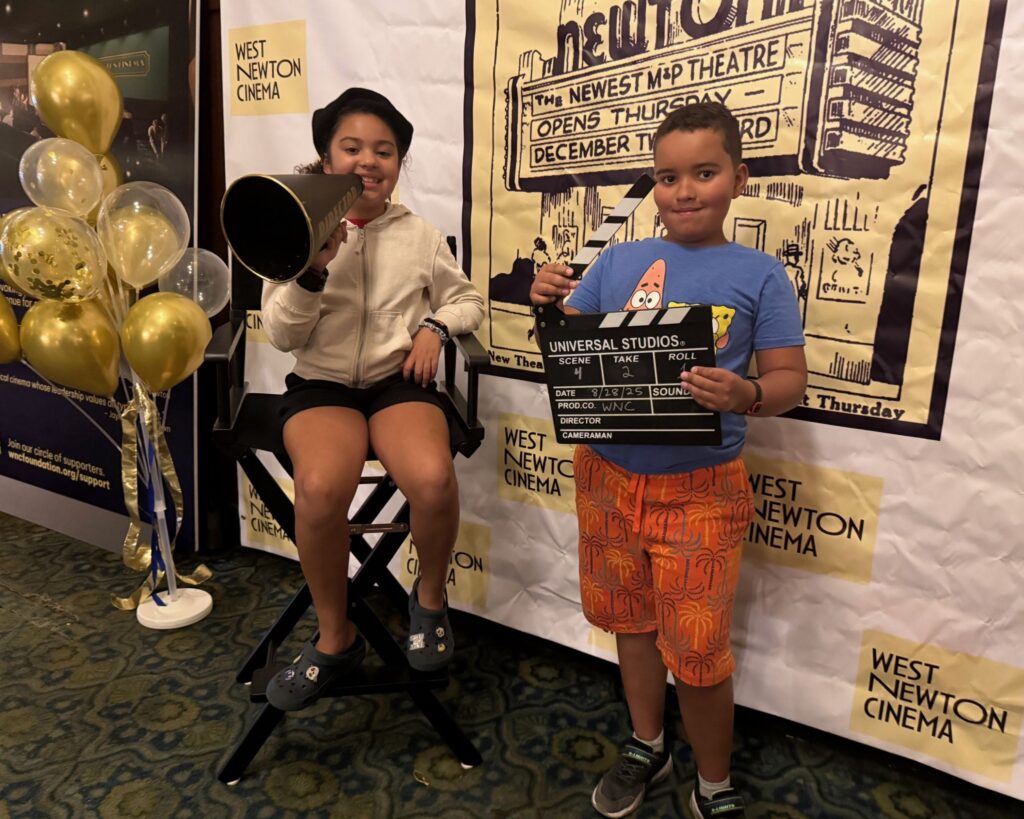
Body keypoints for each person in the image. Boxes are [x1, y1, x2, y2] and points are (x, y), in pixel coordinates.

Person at [530, 102, 807, 818]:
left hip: (701, 488)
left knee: (701, 649)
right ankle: (646, 742)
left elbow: (790, 379)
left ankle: (713, 781)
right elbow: (571, 346)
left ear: (738, 178)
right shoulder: (617, 259)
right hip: (606, 475)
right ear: (652, 185)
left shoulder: (761, 275)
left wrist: (747, 393)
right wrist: (547, 304)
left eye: (704, 173)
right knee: (631, 622)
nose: (684, 191)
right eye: (667, 177)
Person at [260, 88, 484, 711]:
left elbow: (467, 300)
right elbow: (282, 335)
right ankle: (336, 638)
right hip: (322, 387)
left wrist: (435, 327)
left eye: (384, 151)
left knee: (432, 481)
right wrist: (313, 269)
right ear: (327, 160)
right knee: (319, 489)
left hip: (395, 384)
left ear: (398, 163)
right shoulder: (296, 228)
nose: (368, 161)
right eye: (352, 147)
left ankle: (429, 600)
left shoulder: (420, 235)